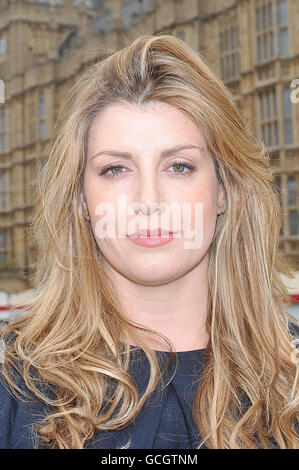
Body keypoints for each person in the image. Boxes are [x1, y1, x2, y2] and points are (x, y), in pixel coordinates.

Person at [0, 34, 298, 449]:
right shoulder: (12, 384)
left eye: (179, 166)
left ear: (224, 189)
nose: (148, 201)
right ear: (81, 199)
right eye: (116, 169)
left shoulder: (291, 378)